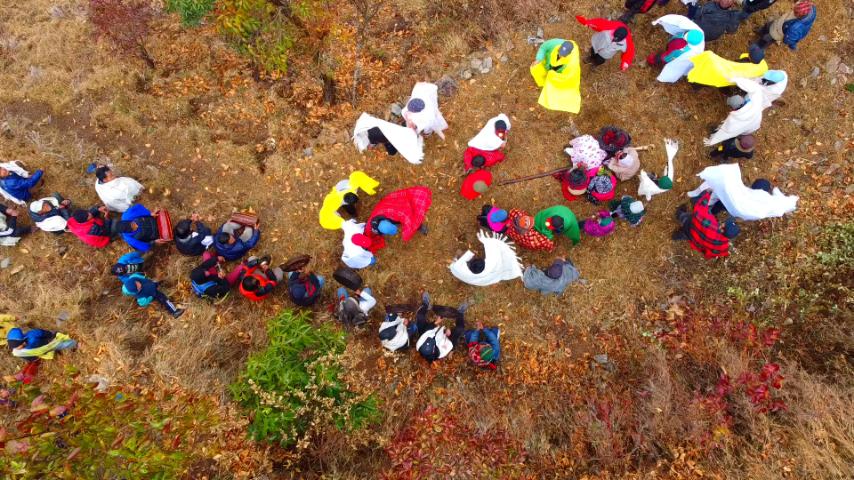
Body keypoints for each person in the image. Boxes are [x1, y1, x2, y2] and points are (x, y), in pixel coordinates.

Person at [686, 163, 798, 220]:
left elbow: (774, 192)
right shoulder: (769, 210)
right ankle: (710, 210)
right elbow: (776, 194)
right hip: (739, 207)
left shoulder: (766, 203)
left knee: (722, 200)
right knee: (722, 203)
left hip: (739, 202)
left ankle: (705, 208)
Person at [363, 186, 432, 253]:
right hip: (391, 218)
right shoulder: (371, 226)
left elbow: (408, 217)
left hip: (400, 208)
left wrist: (407, 231)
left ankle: (419, 227)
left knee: (414, 220)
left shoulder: (394, 212)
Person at [672, 191, 739, 259]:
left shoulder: (710, 224)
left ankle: (679, 213)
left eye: (724, 224)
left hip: (691, 226)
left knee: (684, 218)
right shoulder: (723, 246)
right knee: (686, 235)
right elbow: (710, 253)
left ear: (722, 229)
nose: (723, 223)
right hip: (696, 240)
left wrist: (707, 194)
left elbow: (698, 213)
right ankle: (677, 236)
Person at [449, 230, 523, 287]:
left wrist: (463, 256)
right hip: (489, 277)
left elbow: (458, 256)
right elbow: (494, 250)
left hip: (483, 278)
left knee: (459, 252)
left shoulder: (460, 269)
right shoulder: (492, 264)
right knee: (460, 252)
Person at [530, 39, 582, 113]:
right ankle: (543, 82)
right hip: (549, 64)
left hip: (558, 71)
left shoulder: (572, 60)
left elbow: (570, 74)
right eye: (560, 53)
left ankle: (547, 84)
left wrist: (556, 76)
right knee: (537, 69)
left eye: (563, 55)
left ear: (569, 54)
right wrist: (538, 59)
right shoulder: (555, 43)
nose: (560, 55)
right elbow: (543, 47)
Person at [648, 15, 705, 83]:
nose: (684, 35)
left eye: (686, 36)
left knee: (659, 58)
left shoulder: (686, 51)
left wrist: (662, 58)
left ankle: (651, 61)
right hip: (672, 45)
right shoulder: (697, 34)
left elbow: (671, 56)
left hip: (672, 51)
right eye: (686, 34)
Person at [352, 112, 425, 165]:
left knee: (392, 151)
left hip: (391, 136)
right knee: (391, 150)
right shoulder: (370, 130)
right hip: (388, 134)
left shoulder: (374, 135)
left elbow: (389, 137)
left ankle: (408, 128)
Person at [415, 293, 468, 363]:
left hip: (426, 331)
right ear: (434, 348)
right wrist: (447, 334)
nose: (431, 338)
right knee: (460, 329)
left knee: (420, 316)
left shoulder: (419, 344)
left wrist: (435, 323)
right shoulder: (443, 350)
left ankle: (425, 304)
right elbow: (451, 343)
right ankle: (460, 313)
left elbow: (426, 331)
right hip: (444, 337)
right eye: (432, 340)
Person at [686, 50, 768, 88]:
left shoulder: (743, 63)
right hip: (734, 80)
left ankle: (696, 84)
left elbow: (731, 67)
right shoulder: (761, 67)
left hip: (725, 76)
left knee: (709, 75)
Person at [685, 0, 749, 42]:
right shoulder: (732, 16)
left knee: (694, 8)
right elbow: (731, 31)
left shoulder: (711, 5)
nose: (727, 1)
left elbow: (696, 14)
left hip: (696, 31)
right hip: (709, 38)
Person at [7, 327, 76, 362]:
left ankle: (73, 344)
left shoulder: (32, 336)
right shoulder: (20, 351)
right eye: (14, 347)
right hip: (46, 347)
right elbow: (30, 357)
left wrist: (51, 336)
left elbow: (42, 333)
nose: (16, 348)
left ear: (22, 341)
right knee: (56, 345)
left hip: (46, 347)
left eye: (17, 346)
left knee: (58, 343)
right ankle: (73, 344)